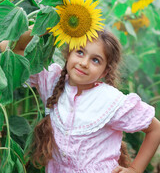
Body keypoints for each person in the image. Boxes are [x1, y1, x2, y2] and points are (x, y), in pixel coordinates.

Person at [0, 29, 160, 173]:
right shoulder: (51, 79)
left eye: (95, 60)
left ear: (105, 71)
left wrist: (135, 169)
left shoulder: (112, 101)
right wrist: (47, 26)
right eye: (80, 52)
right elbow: (8, 48)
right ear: (68, 53)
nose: (84, 63)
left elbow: (155, 129)